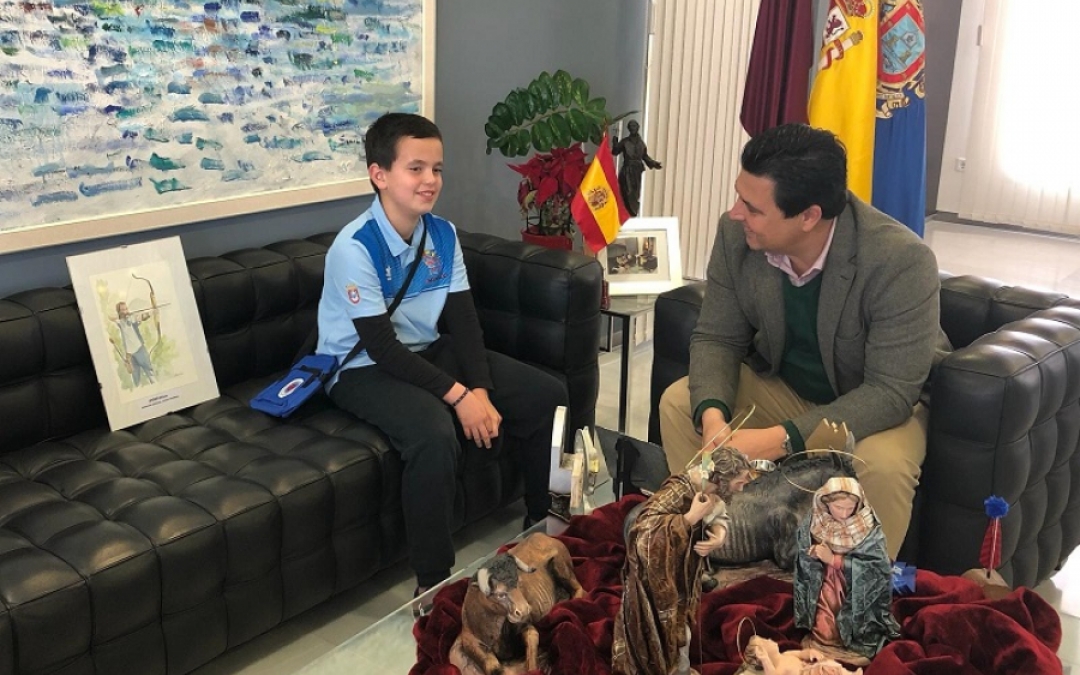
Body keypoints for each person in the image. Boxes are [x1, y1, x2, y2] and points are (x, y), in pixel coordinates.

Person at [658, 123, 945, 559]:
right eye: (739, 197)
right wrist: (714, 420)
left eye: (753, 208)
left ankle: (851, 590)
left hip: (878, 406)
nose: (735, 213)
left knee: (883, 468)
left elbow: (890, 392)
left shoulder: (900, 260)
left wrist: (780, 439)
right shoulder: (736, 236)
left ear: (809, 216)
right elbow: (717, 335)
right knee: (681, 403)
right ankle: (721, 548)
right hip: (789, 389)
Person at [315, 112, 568, 606]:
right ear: (379, 174)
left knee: (547, 395)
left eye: (436, 169)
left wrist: (482, 390)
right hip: (360, 366)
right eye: (415, 168)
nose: (430, 180)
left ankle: (541, 531)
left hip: (425, 349)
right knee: (433, 434)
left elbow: (464, 322)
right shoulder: (354, 247)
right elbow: (382, 347)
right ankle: (432, 586)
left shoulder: (443, 235)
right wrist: (458, 397)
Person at [611, 446, 753, 675]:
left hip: (683, 575)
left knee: (682, 629)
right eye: (739, 482)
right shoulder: (678, 491)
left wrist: (718, 535)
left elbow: (719, 513)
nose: (742, 488)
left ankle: (679, 669)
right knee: (662, 631)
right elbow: (643, 532)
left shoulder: (713, 492)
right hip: (657, 580)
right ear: (721, 479)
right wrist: (690, 518)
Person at [793, 477, 899, 664]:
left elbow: (877, 567)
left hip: (855, 589)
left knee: (853, 630)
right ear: (826, 503)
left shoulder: (868, 527)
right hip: (825, 584)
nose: (844, 514)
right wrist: (813, 553)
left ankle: (852, 642)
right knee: (825, 632)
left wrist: (834, 560)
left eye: (849, 508)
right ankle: (826, 641)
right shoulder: (815, 520)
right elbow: (803, 550)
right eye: (838, 507)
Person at [612, 119, 662, 217]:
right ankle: (628, 213)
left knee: (635, 193)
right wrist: (615, 142)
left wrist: (653, 163)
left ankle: (633, 213)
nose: (633, 128)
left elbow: (645, 156)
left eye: (634, 126)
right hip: (627, 170)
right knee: (627, 191)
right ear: (629, 129)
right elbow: (615, 151)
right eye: (631, 126)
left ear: (637, 128)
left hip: (637, 171)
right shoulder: (625, 141)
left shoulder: (641, 143)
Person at [111, 301, 156, 386]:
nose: (125, 311)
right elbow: (111, 317)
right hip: (130, 355)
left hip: (139, 350)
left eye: (126, 309)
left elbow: (143, 317)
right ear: (119, 312)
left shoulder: (132, 318)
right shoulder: (119, 322)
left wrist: (153, 310)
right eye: (123, 309)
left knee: (149, 372)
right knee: (136, 379)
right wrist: (120, 316)